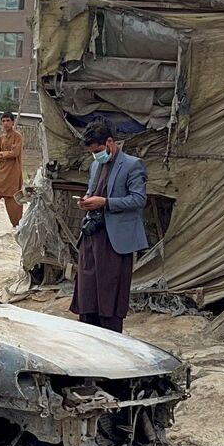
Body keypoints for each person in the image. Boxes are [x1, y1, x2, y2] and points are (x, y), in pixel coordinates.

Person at [70, 121, 147, 332]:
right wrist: (87, 200)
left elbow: (139, 199)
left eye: (98, 150)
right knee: (87, 291)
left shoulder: (133, 164)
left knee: (109, 292)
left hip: (115, 241)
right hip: (92, 236)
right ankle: (88, 336)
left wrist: (106, 203)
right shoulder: (96, 165)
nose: (96, 155)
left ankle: (111, 340)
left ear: (110, 142)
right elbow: (92, 189)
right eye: (93, 152)